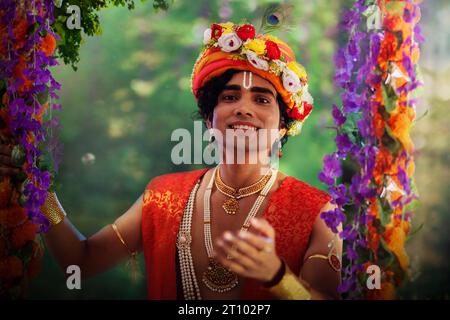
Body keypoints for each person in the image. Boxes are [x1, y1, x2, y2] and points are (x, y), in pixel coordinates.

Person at [0, 22, 342, 300]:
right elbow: (81, 260)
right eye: (230, 96)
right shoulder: (164, 196)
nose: (244, 107)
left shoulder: (319, 211)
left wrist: (277, 277)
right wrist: (39, 190)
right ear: (210, 118)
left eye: (262, 99)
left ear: (283, 126)